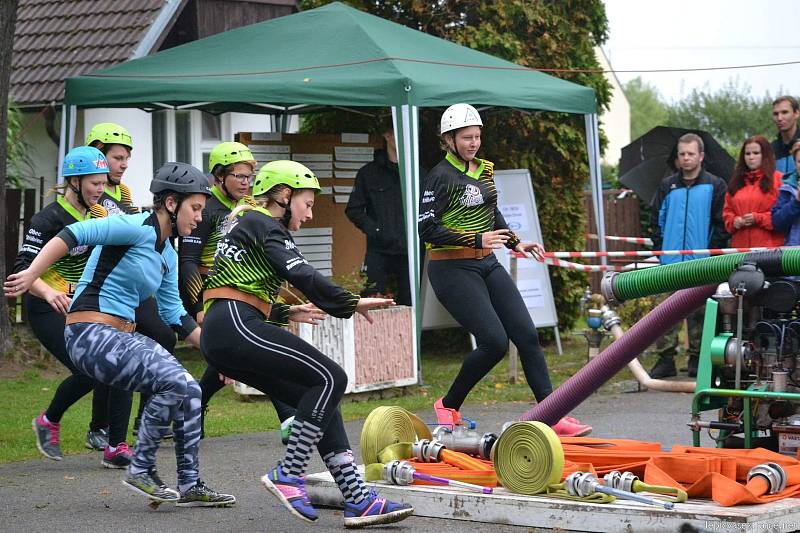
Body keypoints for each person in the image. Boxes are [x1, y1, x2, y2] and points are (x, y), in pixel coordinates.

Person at [6, 162, 235, 507]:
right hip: (88, 333)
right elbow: (74, 235)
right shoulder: (134, 227)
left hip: (118, 337)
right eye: (196, 208)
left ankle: (190, 485)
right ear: (171, 203)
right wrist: (31, 275)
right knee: (175, 381)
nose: (200, 218)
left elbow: (176, 316)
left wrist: (221, 357)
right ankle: (141, 467)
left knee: (188, 389)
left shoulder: (167, 255)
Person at [200, 160, 413, 527]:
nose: (311, 214)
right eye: (307, 203)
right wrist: (349, 302)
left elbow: (240, 284)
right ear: (284, 195)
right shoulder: (263, 222)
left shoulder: (246, 218)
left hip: (230, 325)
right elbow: (302, 274)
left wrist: (285, 313)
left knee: (319, 395)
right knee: (332, 378)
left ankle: (358, 499)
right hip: (234, 324)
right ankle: (289, 473)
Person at [417, 103, 591, 438]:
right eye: (466, 137)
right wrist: (476, 236)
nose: (474, 142)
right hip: (452, 268)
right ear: (449, 139)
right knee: (494, 342)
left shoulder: (483, 170)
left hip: (487, 262)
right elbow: (427, 230)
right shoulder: (440, 176)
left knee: (526, 334)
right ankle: (449, 404)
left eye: (477, 136)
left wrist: (516, 242)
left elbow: (490, 213)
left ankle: (551, 414)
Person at [14, 146, 133, 466]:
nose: (101, 190)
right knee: (88, 370)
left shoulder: (100, 216)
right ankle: (48, 421)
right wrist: (49, 292)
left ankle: (116, 446)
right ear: (75, 182)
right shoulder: (48, 218)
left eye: (104, 182)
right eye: (95, 183)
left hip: (84, 306)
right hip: (46, 306)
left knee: (120, 365)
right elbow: (22, 269)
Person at [178, 141, 294, 439]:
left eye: (248, 177)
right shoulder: (207, 206)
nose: (245, 182)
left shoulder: (250, 207)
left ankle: (193, 408)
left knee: (232, 360)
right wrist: (198, 307)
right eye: (238, 176)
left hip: (244, 291)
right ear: (218, 176)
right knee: (243, 357)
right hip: (210, 289)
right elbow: (188, 261)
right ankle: (288, 417)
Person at [86, 122, 177, 439]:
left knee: (163, 338)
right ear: (98, 155)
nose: (123, 165)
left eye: (126, 159)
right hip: (102, 287)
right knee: (110, 353)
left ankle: (146, 420)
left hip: (131, 285)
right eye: (117, 158)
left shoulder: (122, 193)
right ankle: (99, 427)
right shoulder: (90, 196)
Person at [649, 133, 728, 379]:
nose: (685, 158)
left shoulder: (715, 185)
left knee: (700, 313)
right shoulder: (667, 185)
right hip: (670, 263)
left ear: (701, 156)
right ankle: (666, 358)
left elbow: (721, 225)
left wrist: (709, 253)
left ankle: (697, 357)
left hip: (700, 263)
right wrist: (661, 248)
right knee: (664, 312)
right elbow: (656, 221)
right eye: (682, 154)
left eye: (690, 153)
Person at [345, 121, 411, 305]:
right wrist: (376, 230)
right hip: (378, 250)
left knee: (411, 304)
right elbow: (353, 209)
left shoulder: (417, 174)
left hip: (410, 252)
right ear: (387, 135)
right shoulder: (368, 173)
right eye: (398, 133)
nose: (403, 138)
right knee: (372, 301)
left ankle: (408, 335)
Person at [722, 135, 784, 248]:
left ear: (765, 155)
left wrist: (758, 218)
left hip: (770, 250)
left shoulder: (779, 180)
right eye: (747, 154)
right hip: (739, 249)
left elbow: (783, 216)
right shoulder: (735, 181)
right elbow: (727, 211)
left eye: (756, 153)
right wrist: (734, 221)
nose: (751, 157)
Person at [771, 142, 800, 246]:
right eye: (799, 161)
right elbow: (776, 223)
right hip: (793, 253)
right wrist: (796, 202)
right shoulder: (787, 188)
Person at [771, 96, 800, 175]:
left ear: (796, 114)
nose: (779, 118)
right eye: (775, 114)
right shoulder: (770, 149)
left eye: (784, 112)